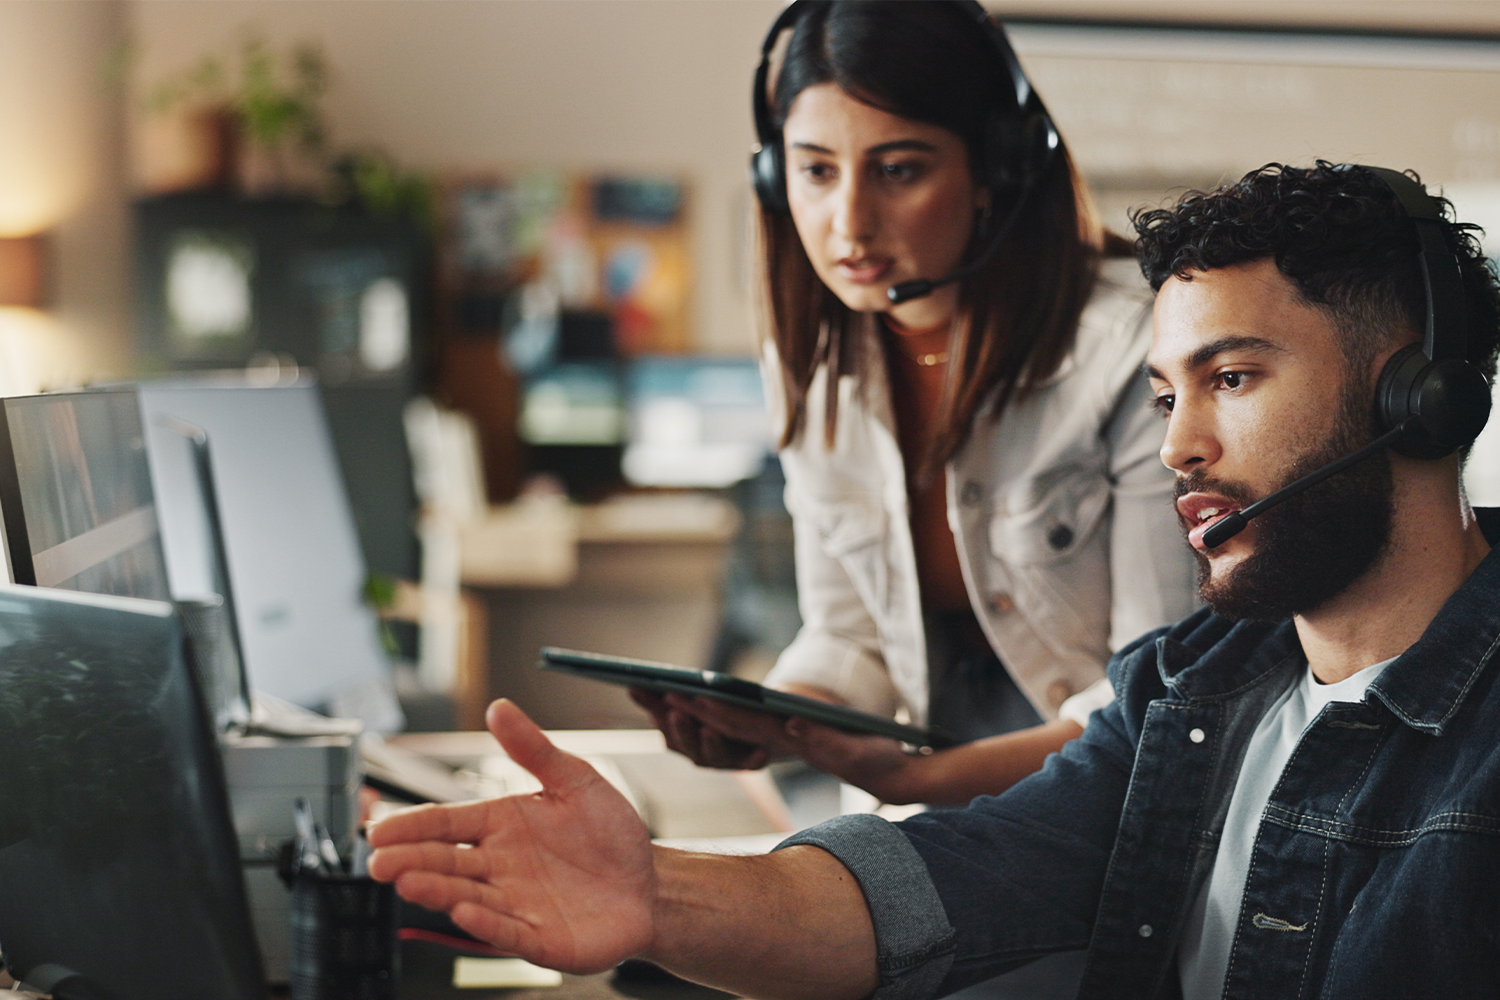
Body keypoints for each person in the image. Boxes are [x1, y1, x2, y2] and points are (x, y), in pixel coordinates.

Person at [369, 161, 1500, 999]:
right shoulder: (1197, 691)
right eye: (1166, 397)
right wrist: (653, 896)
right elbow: (952, 879)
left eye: (1234, 378)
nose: (1176, 450)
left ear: (1420, 398)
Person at [632, 0, 1197, 808]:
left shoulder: (1133, 349)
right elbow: (850, 634)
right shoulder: (817, 361)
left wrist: (924, 783)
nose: (848, 223)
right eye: (816, 170)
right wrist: (783, 717)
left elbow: (1154, 693)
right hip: (929, 799)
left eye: (899, 170)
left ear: (992, 174)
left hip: (1108, 805)